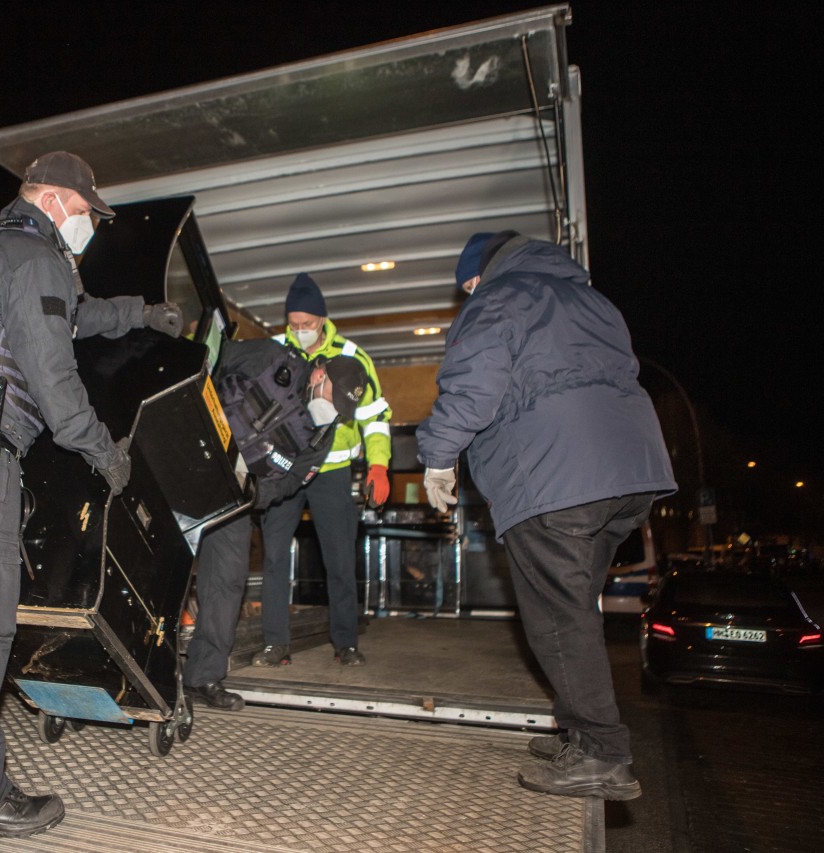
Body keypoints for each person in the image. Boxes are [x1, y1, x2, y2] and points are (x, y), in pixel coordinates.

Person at [0, 151, 182, 840]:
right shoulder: (33, 254)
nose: (92, 229)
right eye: (86, 214)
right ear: (53, 201)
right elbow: (54, 377)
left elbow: (74, 317)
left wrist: (145, 315)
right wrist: (108, 455)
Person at [416, 231, 676, 801]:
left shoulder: (499, 298)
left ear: (482, 274)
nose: (470, 293)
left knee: (557, 618)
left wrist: (437, 457)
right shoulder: (593, 301)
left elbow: (472, 386)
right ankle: (581, 733)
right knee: (576, 608)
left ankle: (604, 754)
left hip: (556, 476)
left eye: (469, 284)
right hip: (628, 475)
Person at [182, 339, 338, 710]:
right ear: (319, 374)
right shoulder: (270, 358)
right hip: (189, 461)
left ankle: (202, 677)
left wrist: (252, 491)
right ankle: (128, 664)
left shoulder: (323, 430)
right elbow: (209, 366)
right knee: (153, 561)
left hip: (236, 498)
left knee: (227, 582)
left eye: (340, 408)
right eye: (332, 397)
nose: (332, 409)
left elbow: (291, 480)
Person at [253, 271, 390, 668]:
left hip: (332, 470)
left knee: (339, 557)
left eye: (308, 325)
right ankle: (275, 644)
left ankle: (345, 642)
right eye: (294, 325)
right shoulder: (275, 350)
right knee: (276, 556)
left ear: (323, 320)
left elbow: (375, 417)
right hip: (282, 469)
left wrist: (379, 466)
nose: (300, 332)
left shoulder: (352, 356)